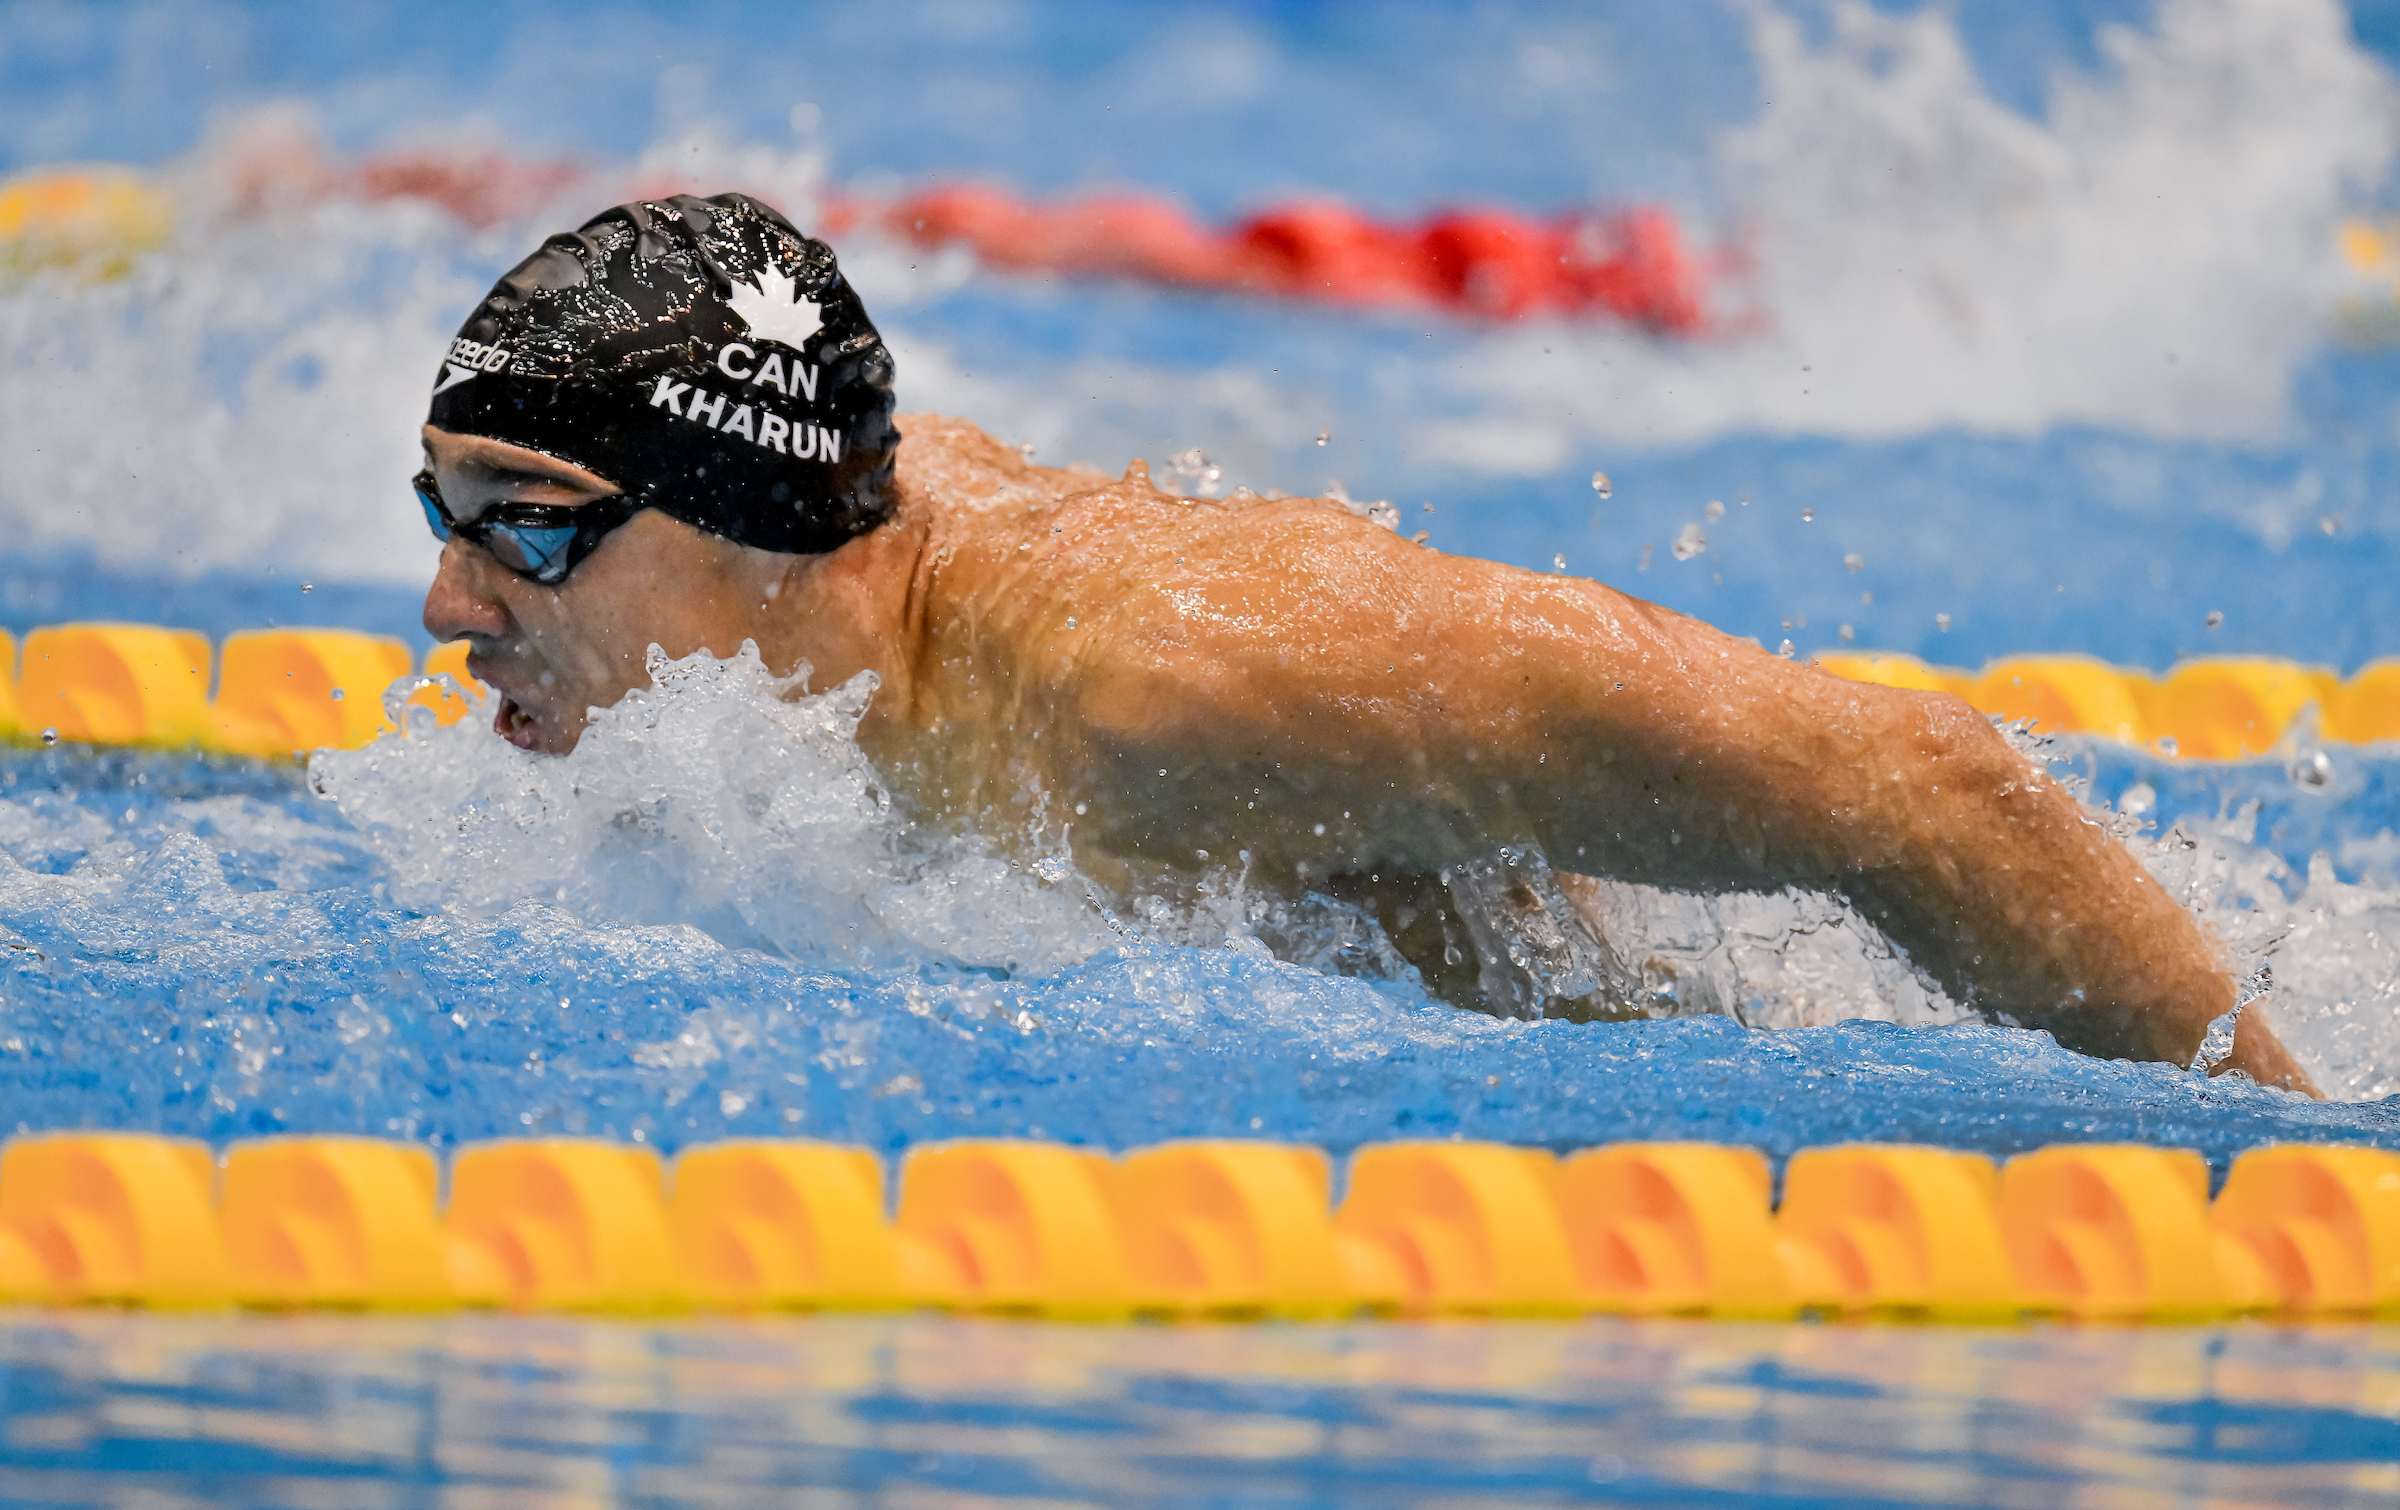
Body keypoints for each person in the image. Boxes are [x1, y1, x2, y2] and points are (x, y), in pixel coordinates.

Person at [416, 192, 2315, 1094]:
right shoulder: (812, 628)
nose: (451, 600)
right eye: (442, 514)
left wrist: (2288, 1177)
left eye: (526, 527)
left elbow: (1924, 786)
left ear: (759, 528)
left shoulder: (1158, 686)